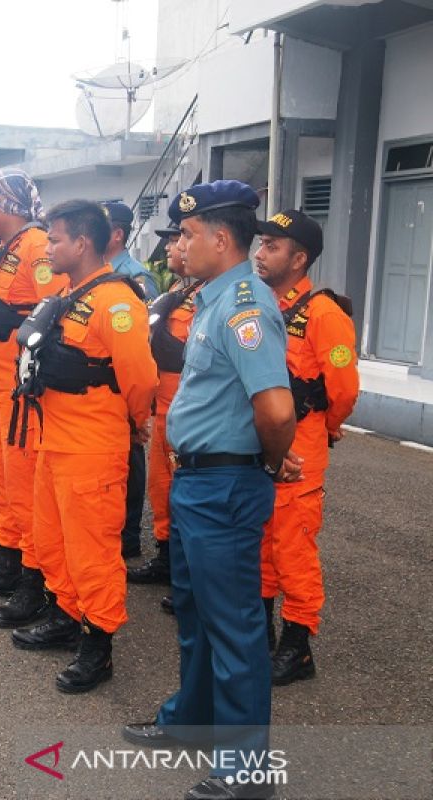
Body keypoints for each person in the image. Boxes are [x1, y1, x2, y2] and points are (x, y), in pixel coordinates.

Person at [123, 181, 298, 800]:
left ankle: (247, 773)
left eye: (189, 234)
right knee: (196, 613)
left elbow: (276, 411)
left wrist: (270, 465)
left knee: (234, 626)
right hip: (198, 480)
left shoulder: (244, 305)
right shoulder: (212, 297)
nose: (180, 243)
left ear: (221, 239)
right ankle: (190, 723)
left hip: (224, 483)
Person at [10, 200, 157, 694]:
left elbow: (139, 378)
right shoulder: (72, 294)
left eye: (55, 239)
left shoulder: (118, 303)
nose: (48, 247)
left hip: (93, 447)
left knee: (93, 551)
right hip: (55, 439)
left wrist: (138, 423)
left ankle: (99, 645)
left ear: (82, 243)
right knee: (53, 542)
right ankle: (67, 616)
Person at [254, 209, 359, 686]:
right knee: (260, 542)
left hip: (303, 445)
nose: (260, 253)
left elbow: (343, 390)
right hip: (261, 444)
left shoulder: (324, 313)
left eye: (272, 247)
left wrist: (326, 427)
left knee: (292, 546)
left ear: (299, 259)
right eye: (261, 244)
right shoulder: (260, 305)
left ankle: (297, 646)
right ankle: (262, 634)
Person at [0, 169, 69, 593]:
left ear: (7, 205)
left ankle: (32, 578)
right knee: (0, 482)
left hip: (18, 389)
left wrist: (12, 321)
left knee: (23, 488)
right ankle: (7, 560)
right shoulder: (8, 249)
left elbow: (52, 310)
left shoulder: (37, 247)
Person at [128, 214, 201, 595]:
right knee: (162, 490)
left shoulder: (217, 298)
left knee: (188, 498)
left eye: (178, 238)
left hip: (192, 415)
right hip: (162, 412)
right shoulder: (178, 293)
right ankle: (167, 558)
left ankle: (189, 575)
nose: (171, 246)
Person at [101, 201, 155, 561]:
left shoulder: (134, 277)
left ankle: (129, 533)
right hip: (97, 389)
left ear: (116, 234)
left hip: (124, 383)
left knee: (130, 459)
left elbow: (140, 340)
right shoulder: (94, 274)